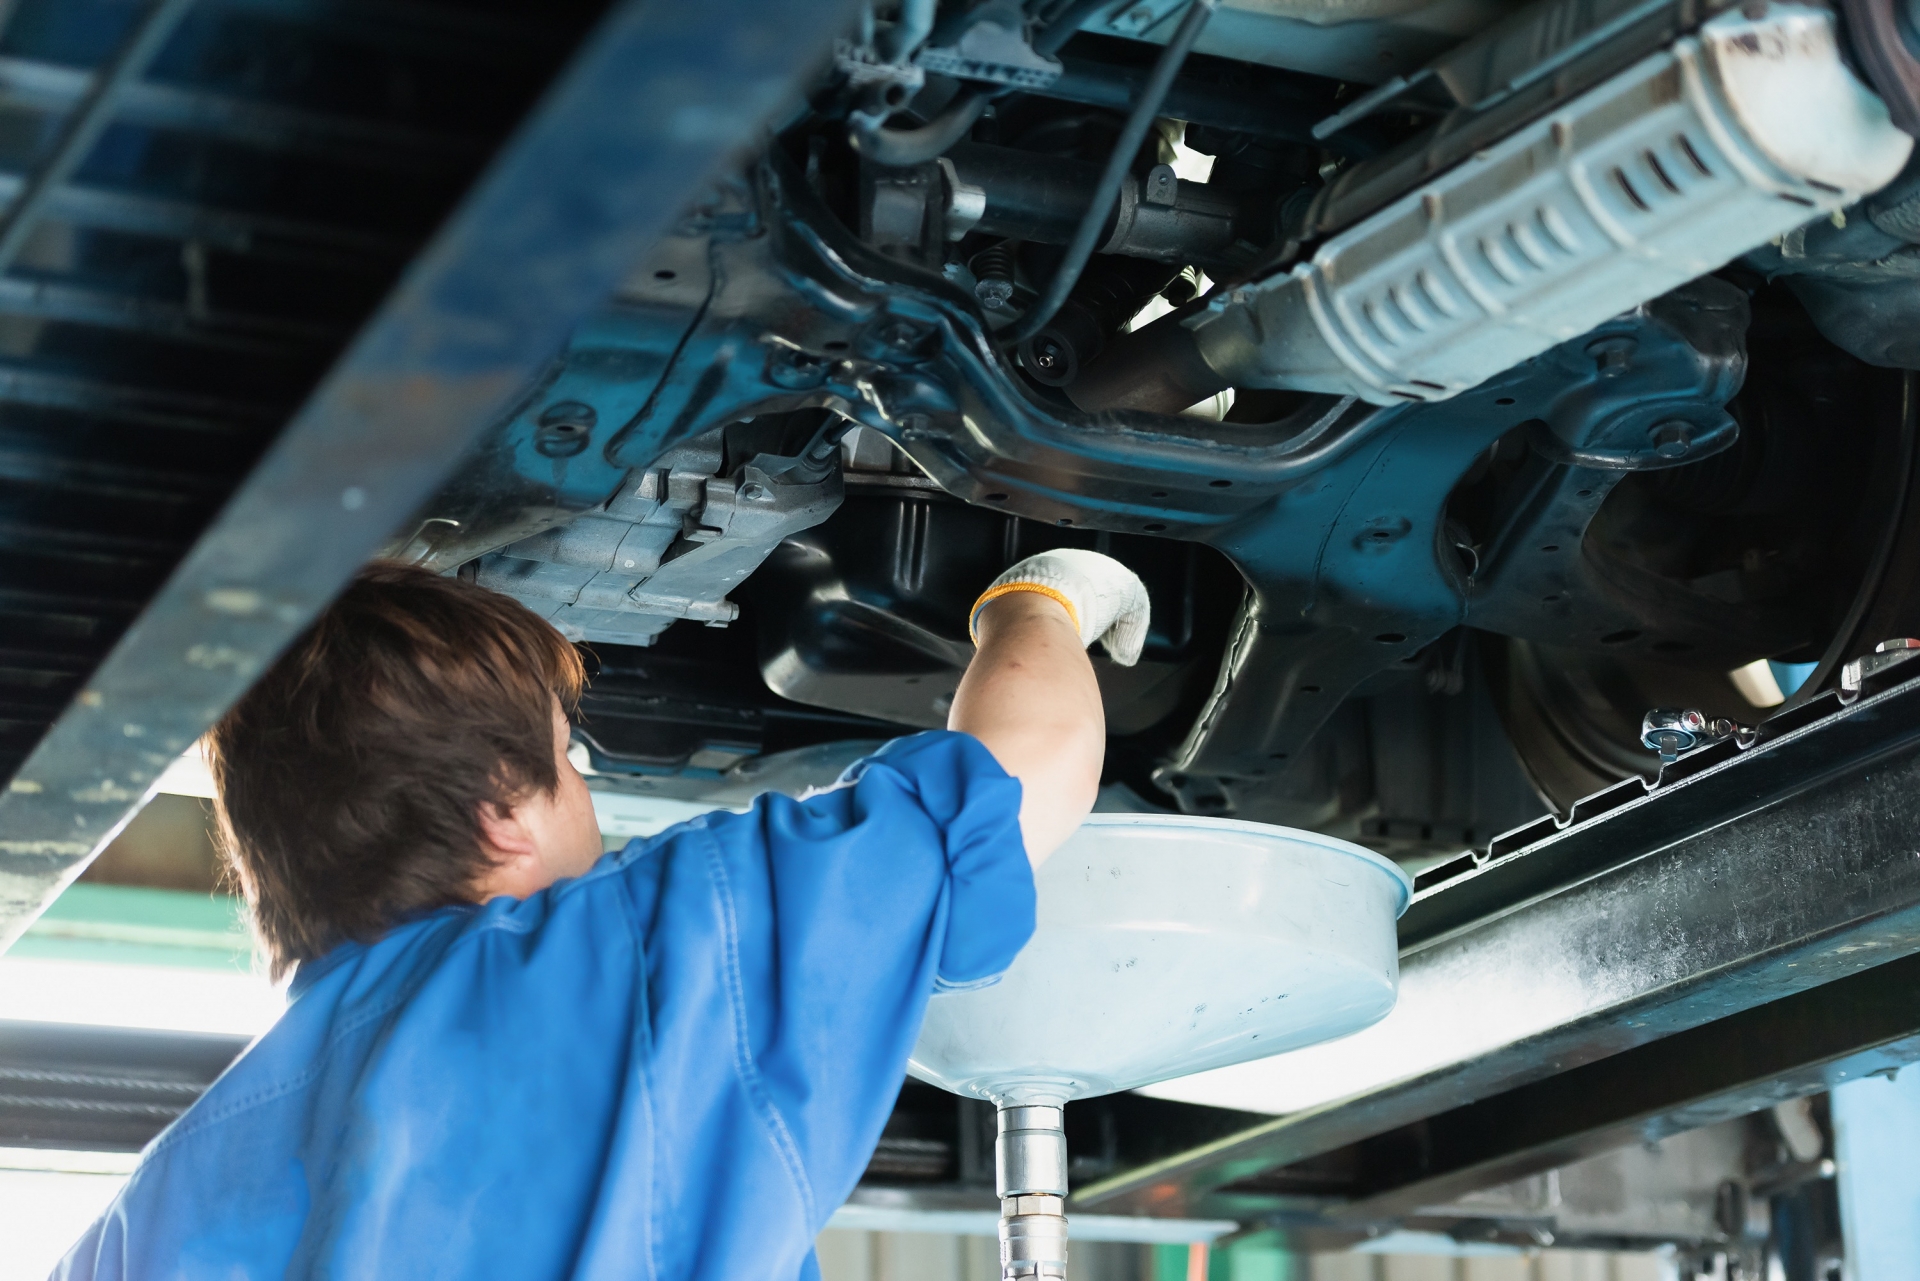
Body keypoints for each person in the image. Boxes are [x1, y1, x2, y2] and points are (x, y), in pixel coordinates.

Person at [53, 547, 1150, 1280]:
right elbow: (1023, 767)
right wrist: (1044, 597)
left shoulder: (133, 1228)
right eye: (568, 760)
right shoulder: (643, 948)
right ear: (499, 816)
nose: (587, 792)